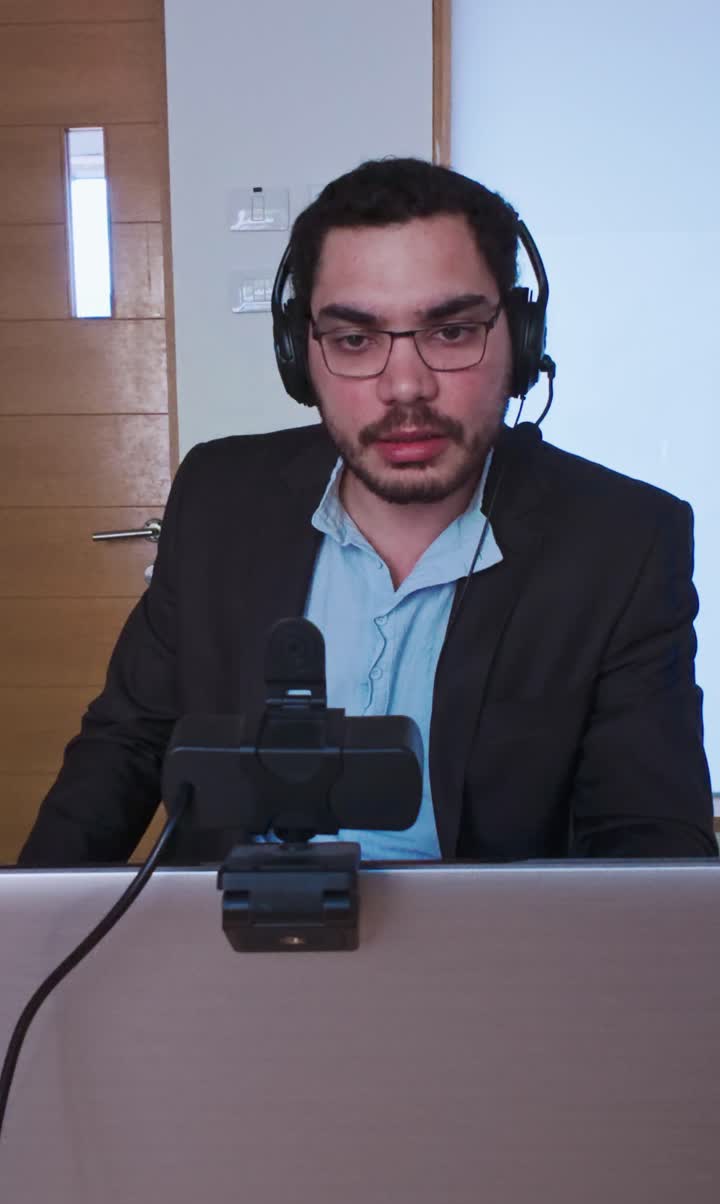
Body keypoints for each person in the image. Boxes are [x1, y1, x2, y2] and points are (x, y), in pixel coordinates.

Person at [19, 158, 716, 866]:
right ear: (300, 355)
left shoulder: (625, 542)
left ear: (522, 341)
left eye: (451, 331)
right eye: (355, 339)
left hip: (487, 937)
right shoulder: (218, 497)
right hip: (237, 928)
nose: (405, 386)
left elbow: (650, 848)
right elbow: (123, 747)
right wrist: (33, 922)